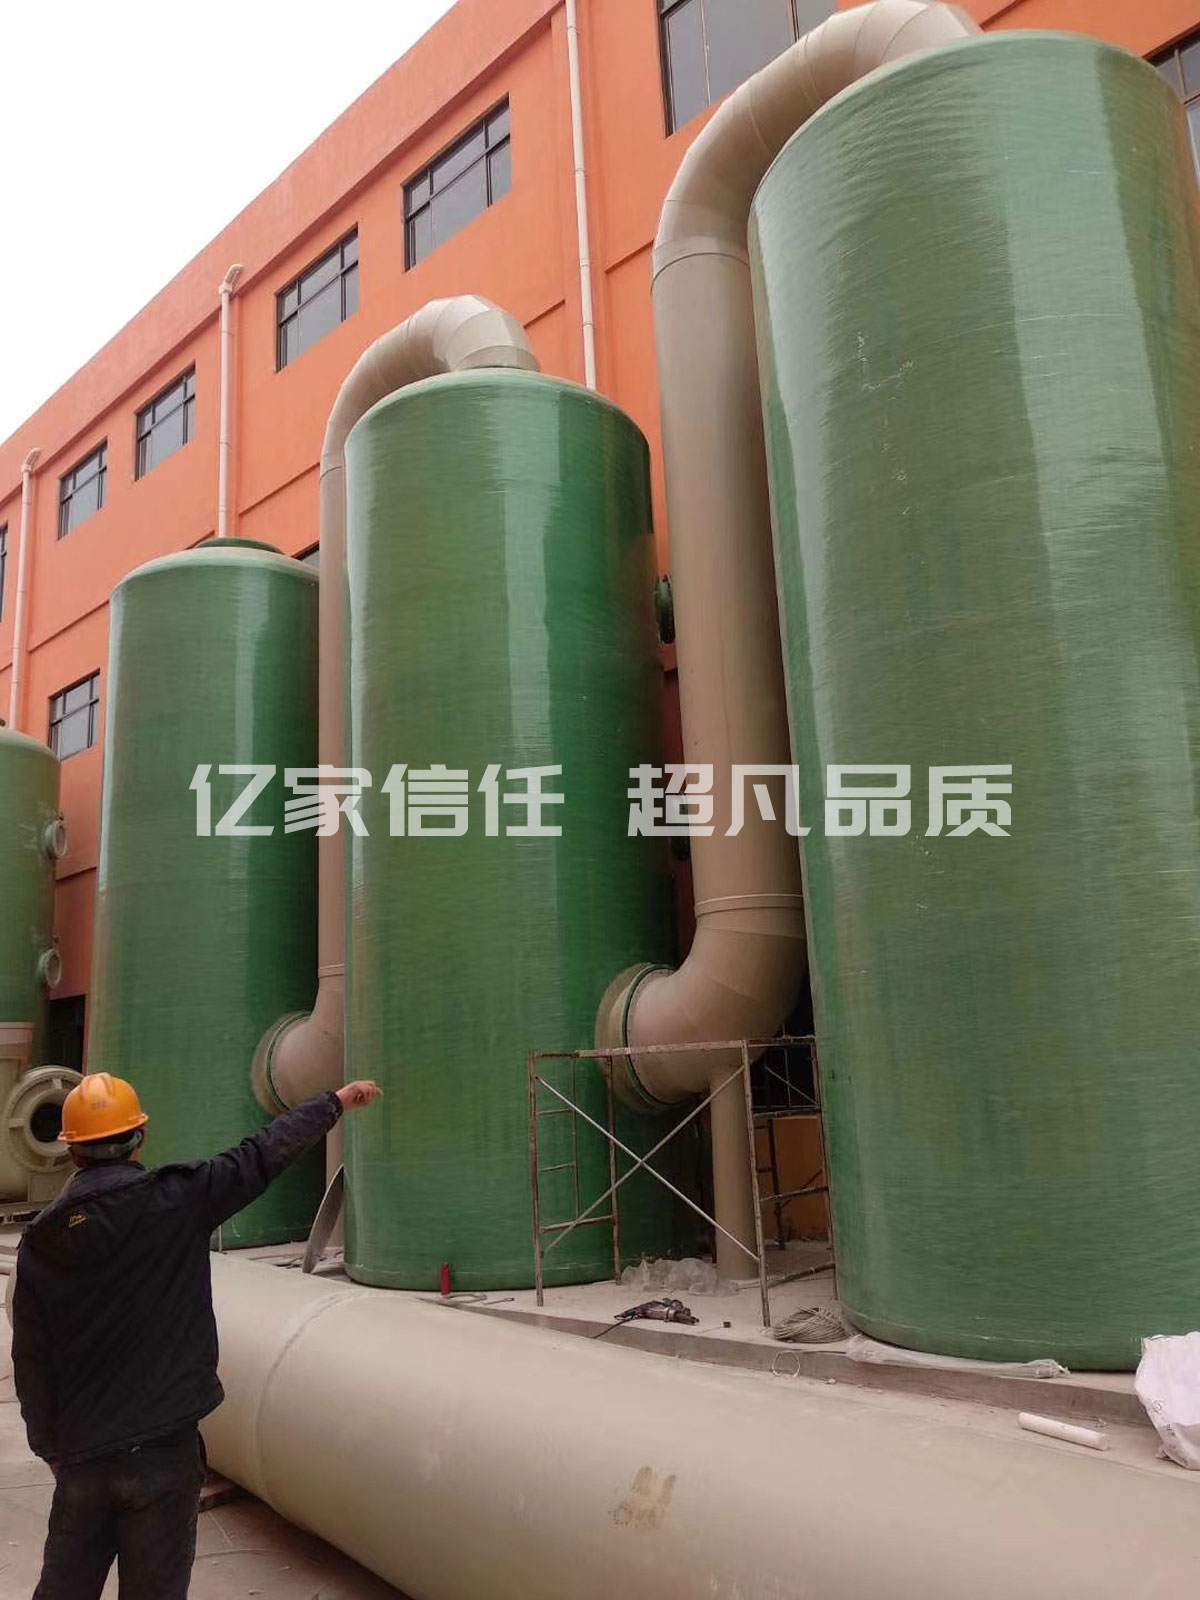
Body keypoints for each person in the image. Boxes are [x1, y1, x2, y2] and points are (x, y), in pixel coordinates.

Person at [11, 1070, 383, 1600]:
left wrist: (49, 1446)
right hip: (164, 1451)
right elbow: (261, 1155)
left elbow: (31, 1359)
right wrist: (335, 1102)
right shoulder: (179, 1200)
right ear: (140, 1138)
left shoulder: (43, 1241)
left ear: (72, 1152)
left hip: (83, 1456)